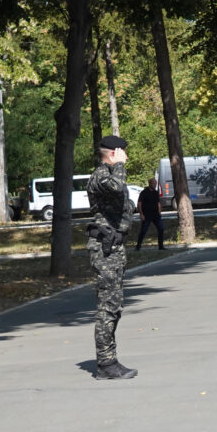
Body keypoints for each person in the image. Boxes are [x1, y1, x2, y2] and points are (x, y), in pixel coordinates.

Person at [86, 135, 137, 380]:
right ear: (114, 153)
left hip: (114, 248)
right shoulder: (101, 176)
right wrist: (118, 165)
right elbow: (117, 187)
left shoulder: (109, 175)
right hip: (104, 249)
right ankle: (106, 364)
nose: (126, 157)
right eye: (123, 153)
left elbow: (123, 203)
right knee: (108, 307)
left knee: (114, 306)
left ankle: (110, 360)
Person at [135, 178, 164, 250]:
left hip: (156, 215)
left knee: (161, 229)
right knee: (143, 231)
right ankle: (138, 246)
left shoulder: (156, 193)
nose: (154, 185)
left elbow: (158, 203)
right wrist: (141, 214)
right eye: (153, 183)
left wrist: (159, 212)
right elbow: (139, 203)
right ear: (149, 183)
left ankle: (161, 246)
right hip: (146, 215)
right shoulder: (144, 192)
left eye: (155, 184)